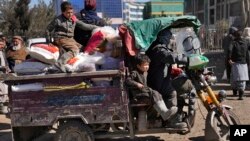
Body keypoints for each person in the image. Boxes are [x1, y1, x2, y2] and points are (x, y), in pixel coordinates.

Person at [146, 28, 188, 128]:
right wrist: (189, 59)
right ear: (162, 37)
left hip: (160, 79)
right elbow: (171, 57)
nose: (169, 39)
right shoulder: (158, 49)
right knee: (172, 93)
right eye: (168, 36)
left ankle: (171, 118)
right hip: (156, 82)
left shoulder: (159, 47)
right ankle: (172, 122)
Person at [46, 1, 99, 72]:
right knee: (75, 50)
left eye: (71, 12)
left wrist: (97, 27)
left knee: (83, 49)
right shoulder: (58, 20)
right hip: (61, 38)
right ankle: (60, 63)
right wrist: (49, 41)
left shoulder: (73, 19)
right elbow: (47, 30)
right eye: (68, 13)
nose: (70, 14)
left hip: (70, 39)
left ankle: (74, 64)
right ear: (63, 12)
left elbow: (84, 26)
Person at [126, 53, 178, 122]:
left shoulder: (145, 73)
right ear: (138, 66)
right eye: (145, 65)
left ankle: (165, 112)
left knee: (157, 93)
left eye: (148, 65)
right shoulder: (135, 73)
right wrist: (137, 84)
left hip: (144, 92)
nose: (147, 67)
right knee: (154, 93)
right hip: (138, 94)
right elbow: (128, 80)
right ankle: (164, 113)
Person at [228, 27, 249, 100]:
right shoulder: (245, 43)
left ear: (235, 35)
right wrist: (248, 62)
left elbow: (229, 50)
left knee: (234, 78)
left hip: (235, 62)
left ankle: (235, 92)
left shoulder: (233, 42)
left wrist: (229, 58)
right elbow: (247, 53)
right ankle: (241, 95)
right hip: (243, 63)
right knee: (242, 80)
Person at [0, 40, 9, 114]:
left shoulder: (2, 52)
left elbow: (5, 61)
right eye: (0, 44)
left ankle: (3, 107)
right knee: (2, 89)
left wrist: (7, 68)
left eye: (2, 44)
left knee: (5, 89)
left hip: (3, 73)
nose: (2, 46)